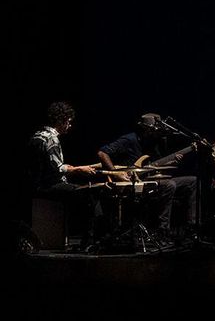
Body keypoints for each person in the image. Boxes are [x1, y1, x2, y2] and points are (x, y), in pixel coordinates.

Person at [97, 113, 199, 241]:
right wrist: (115, 173)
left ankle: (191, 228)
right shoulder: (129, 139)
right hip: (131, 182)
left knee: (193, 181)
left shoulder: (153, 143)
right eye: (154, 131)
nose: (157, 133)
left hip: (150, 179)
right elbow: (102, 153)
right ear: (146, 129)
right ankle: (162, 230)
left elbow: (154, 166)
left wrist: (172, 162)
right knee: (169, 184)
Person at [27, 102, 100, 244]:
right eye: (68, 122)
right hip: (48, 186)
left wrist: (74, 167)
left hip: (36, 184)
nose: (69, 125)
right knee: (88, 194)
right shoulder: (52, 138)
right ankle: (89, 241)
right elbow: (58, 169)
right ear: (60, 121)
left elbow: (49, 165)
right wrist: (79, 169)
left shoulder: (38, 135)